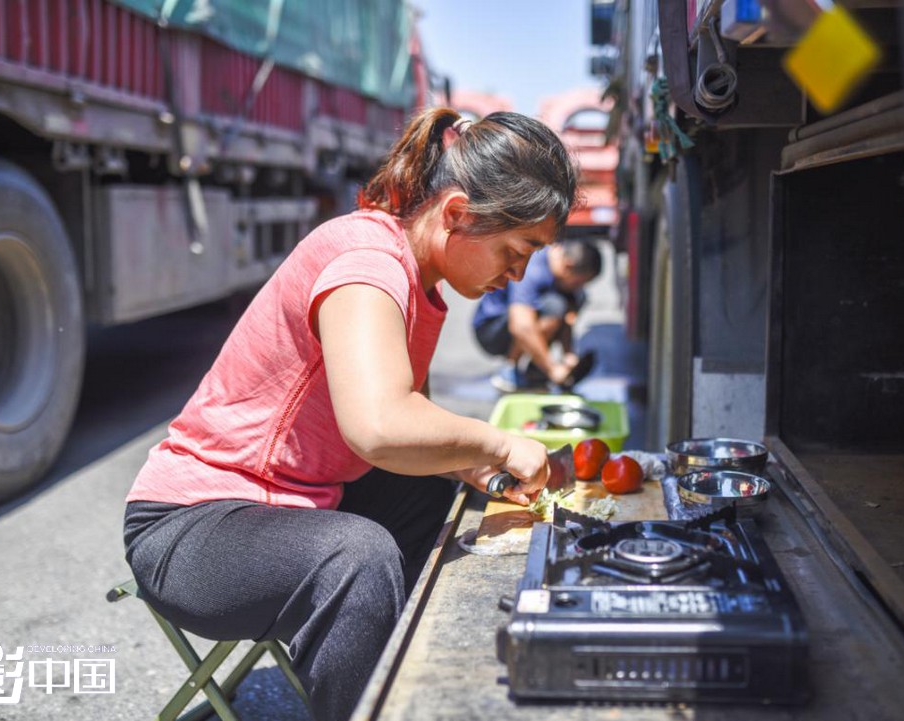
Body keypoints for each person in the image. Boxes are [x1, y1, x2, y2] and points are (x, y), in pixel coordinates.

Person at [121, 107, 578, 721]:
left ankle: (403, 681)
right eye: (517, 250)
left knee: (436, 497)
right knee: (356, 559)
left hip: (293, 503)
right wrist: (495, 445)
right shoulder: (368, 264)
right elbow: (381, 427)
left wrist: (466, 464)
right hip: (193, 527)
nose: (519, 272)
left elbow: (404, 430)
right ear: (458, 214)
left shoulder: (417, 278)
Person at [471, 237, 602, 392]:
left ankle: (535, 372)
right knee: (555, 305)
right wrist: (552, 368)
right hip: (491, 330)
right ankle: (509, 370)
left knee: (567, 301)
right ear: (568, 265)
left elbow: (566, 320)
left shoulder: (565, 281)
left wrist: (569, 356)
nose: (579, 287)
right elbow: (521, 325)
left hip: (518, 322)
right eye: (578, 282)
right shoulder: (533, 268)